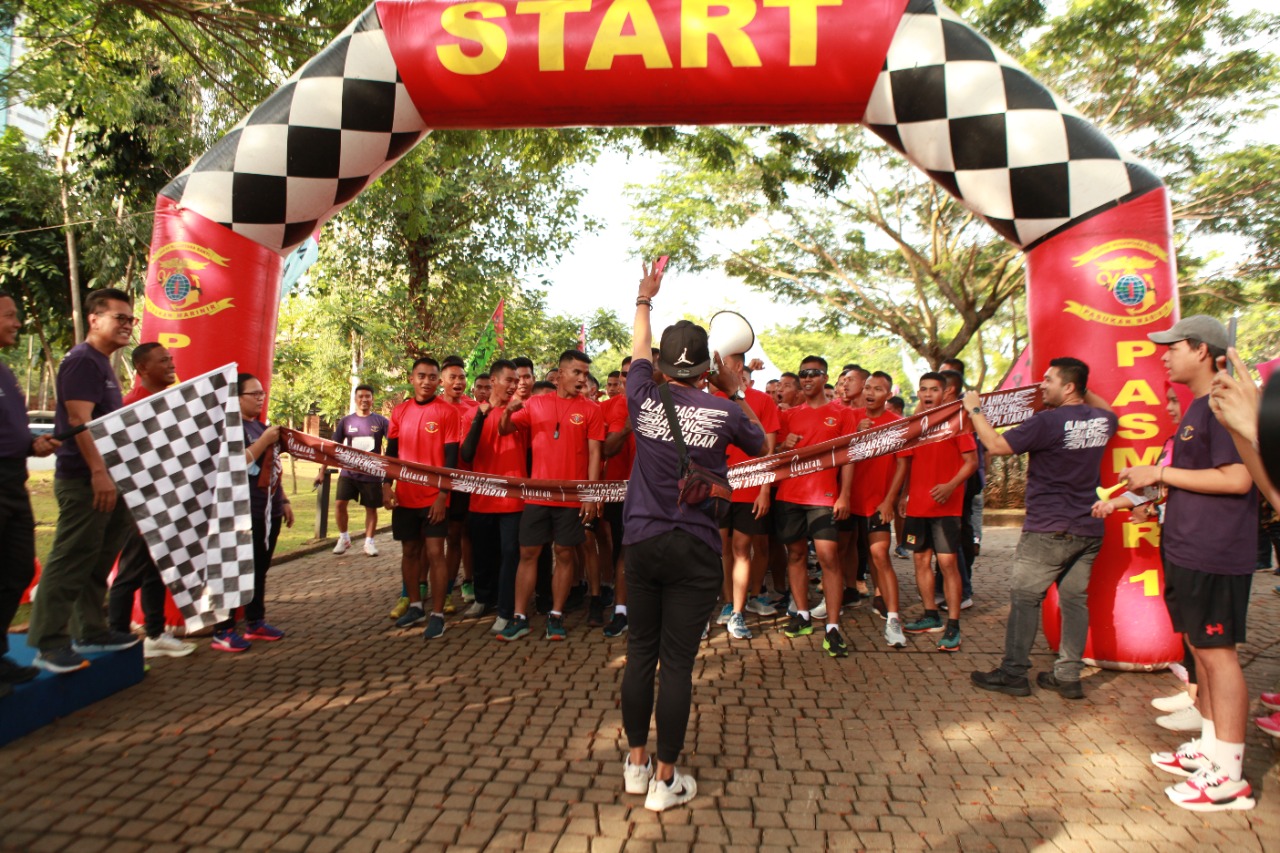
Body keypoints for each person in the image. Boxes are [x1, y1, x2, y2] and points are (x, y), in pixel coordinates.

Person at [619, 262, 764, 812]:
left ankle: (635, 765)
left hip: (643, 541)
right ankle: (666, 780)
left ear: (661, 364)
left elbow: (637, 347)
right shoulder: (726, 411)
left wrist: (644, 297)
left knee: (640, 656)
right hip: (697, 547)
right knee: (676, 665)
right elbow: (763, 445)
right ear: (709, 366)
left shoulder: (641, 395)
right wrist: (737, 389)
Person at [1126, 316, 1258, 812]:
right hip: (1189, 548)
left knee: (1218, 656)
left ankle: (1229, 775)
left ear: (1202, 351)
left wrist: (1159, 471)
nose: (1163, 355)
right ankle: (1210, 748)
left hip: (1216, 551)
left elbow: (1238, 479)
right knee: (1201, 653)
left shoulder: (1222, 406)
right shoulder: (1198, 409)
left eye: (1172, 347)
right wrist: (1156, 484)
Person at [967, 358, 1117, 699]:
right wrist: (1082, 386)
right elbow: (1105, 407)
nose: (1041, 386)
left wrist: (975, 410)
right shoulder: (1102, 420)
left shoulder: (1048, 421)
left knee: (1024, 600)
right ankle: (1068, 677)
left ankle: (1013, 673)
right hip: (1088, 528)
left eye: (1048, 380)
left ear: (1068, 387)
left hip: (1048, 528)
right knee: (1075, 602)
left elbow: (996, 446)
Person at [27, 288, 142, 673]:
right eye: (119, 318)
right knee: (72, 555)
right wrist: (98, 473)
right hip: (85, 479)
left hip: (110, 477)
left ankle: (90, 629)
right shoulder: (81, 362)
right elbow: (79, 421)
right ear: (94, 319)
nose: (127, 325)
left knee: (98, 555)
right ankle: (48, 641)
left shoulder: (103, 362)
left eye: (131, 319)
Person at [498, 349, 603, 641]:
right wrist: (508, 410)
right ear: (559, 375)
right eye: (577, 372)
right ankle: (519, 617)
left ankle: (556, 616)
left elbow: (595, 454)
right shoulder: (534, 404)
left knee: (565, 554)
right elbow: (504, 430)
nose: (583, 379)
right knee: (528, 554)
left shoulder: (592, 409)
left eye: (585, 373)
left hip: (571, 497)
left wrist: (591, 494)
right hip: (536, 495)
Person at [105, 343, 196, 658]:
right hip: (139, 507)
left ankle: (155, 634)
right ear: (142, 369)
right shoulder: (132, 406)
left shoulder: (169, 403)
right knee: (130, 571)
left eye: (171, 359)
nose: (171, 364)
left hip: (166, 503)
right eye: (163, 360)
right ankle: (116, 638)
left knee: (158, 570)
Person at [886, 371, 977, 652]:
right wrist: (904, 496)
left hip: (946, 508)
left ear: (945, 392)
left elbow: (971, 462)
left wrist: (950, 487)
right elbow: (909, 464)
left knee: (948, 564)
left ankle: (953, 625)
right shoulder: (915, 425)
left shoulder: (958, 422)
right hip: (917, 508)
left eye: (933, 390)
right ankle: (930, 615)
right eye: (923, 389)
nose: (927, 394)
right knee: (920, 561)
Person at [776, 356, 856, 657]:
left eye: (813, 374)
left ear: (825, 377)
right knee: (795, 555)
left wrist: (844, 495)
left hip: (823, 498)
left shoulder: (841, 413)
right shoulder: (788, 415)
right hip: (789, 496)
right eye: (803, 374)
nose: (807, 379)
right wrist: (785, 446)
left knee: (829, 559)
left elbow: (848, 457)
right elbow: (776, 453)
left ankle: (833, 627)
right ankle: (803, 616)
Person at [0, 292, 60, 693]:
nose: (17, 323)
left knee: (18, 568)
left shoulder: (5, 372)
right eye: (9, 316)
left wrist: (31, 444)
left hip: (14, 480)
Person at [210, 374, 296, 651]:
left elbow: (272, 470)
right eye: (253, 393)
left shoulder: (261, 427)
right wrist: (263, 441)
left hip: (266, 509)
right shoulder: (229, 428)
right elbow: (232, 464)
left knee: (260, 567)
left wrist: (283, 501)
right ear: (237, 397)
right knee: (236, 568)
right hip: (239, 511)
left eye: (262, 392)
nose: (260, 397)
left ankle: (255, 621)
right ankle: (222, 628)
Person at [385, 357, 461, 641]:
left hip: (434, 498)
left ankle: (438, 614)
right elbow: (391, 454)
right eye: (421, 376)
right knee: (409, 552)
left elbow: (450, 460)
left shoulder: (447, 412)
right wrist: (386, 485)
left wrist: (443, 495)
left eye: (432, 377)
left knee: (434, 553)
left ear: (439, 380)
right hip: (405, 496)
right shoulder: (400, 411)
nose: (427, 381)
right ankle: (415, 605)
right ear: (411, 378)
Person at [714, 352, 780, 640]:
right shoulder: (713, 397)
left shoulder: (763, 401)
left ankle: (739, 612)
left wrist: (765, 490)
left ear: (737, 367)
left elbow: (769, 450)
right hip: (718, 487)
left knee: (742, 549)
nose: (717, 369)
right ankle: (728, 603)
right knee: (721, 549)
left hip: (751, 488)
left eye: (722, 363)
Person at [460, 359, 527, 634]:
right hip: (482, 496)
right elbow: (466, 454)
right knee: (483, 553)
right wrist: (481, 415)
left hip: (513, 497)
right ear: (494, 381)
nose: (514, 385)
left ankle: (504, 608)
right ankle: (483, 597)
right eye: (509, 380)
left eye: (517, 381)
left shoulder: (522, 412)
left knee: (510, 554)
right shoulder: (472, 414)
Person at [847, 371, 907, 647]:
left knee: (880, 554)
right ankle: (838, 600)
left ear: (888, 394)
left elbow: (903, 464)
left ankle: (893, 618)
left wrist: (889, 500)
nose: (871, 393)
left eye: (878, 389)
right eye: (868, 387)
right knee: (841, 552)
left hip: (876, 502)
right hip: (848, 499)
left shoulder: (897, 424)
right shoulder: (852, 418)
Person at [322, 385, 388, 558]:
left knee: (371, 508)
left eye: (368, 396)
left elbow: (395, 444)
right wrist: (321, 470)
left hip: (371, 473)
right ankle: (343, 537)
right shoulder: (346, 421)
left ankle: (369, 542)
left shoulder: (381, 421)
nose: (364, 399)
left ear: (372, 399)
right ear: (355, 399)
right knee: (339, 504)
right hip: (348, 472)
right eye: (361, 396)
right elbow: (332, 447)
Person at [440, 356, 476, 614]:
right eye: (452, 377)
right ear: (442, 380)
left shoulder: (473, 408)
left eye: (461, 377)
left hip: (462, 483)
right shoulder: (429, 406)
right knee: (425, 541)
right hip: (432, 482)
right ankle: (416, 589)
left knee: (455, 536)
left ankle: (448, 588)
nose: (457, 382)